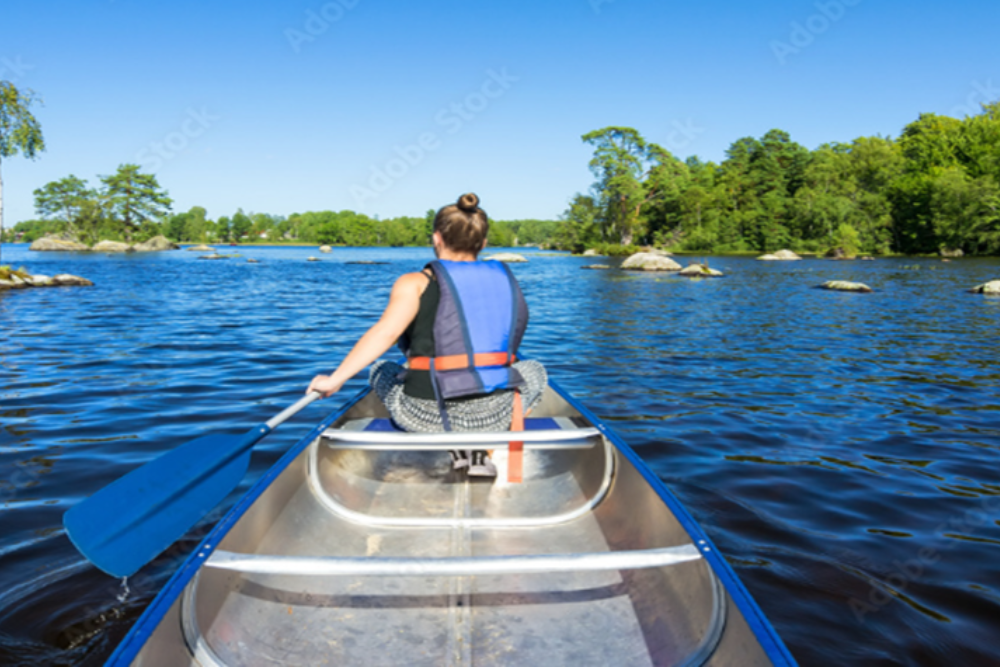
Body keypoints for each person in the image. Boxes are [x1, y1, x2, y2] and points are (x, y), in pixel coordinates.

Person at [306, 193, 547, 477]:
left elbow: (385, 333)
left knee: (381, 368)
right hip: (496, 416)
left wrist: (334, 379)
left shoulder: (414, 282)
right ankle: (482, 448)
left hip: (427, 417)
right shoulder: (504, 281)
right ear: (483, 243)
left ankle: (451, 449)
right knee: (534, 369)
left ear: (436, 238)